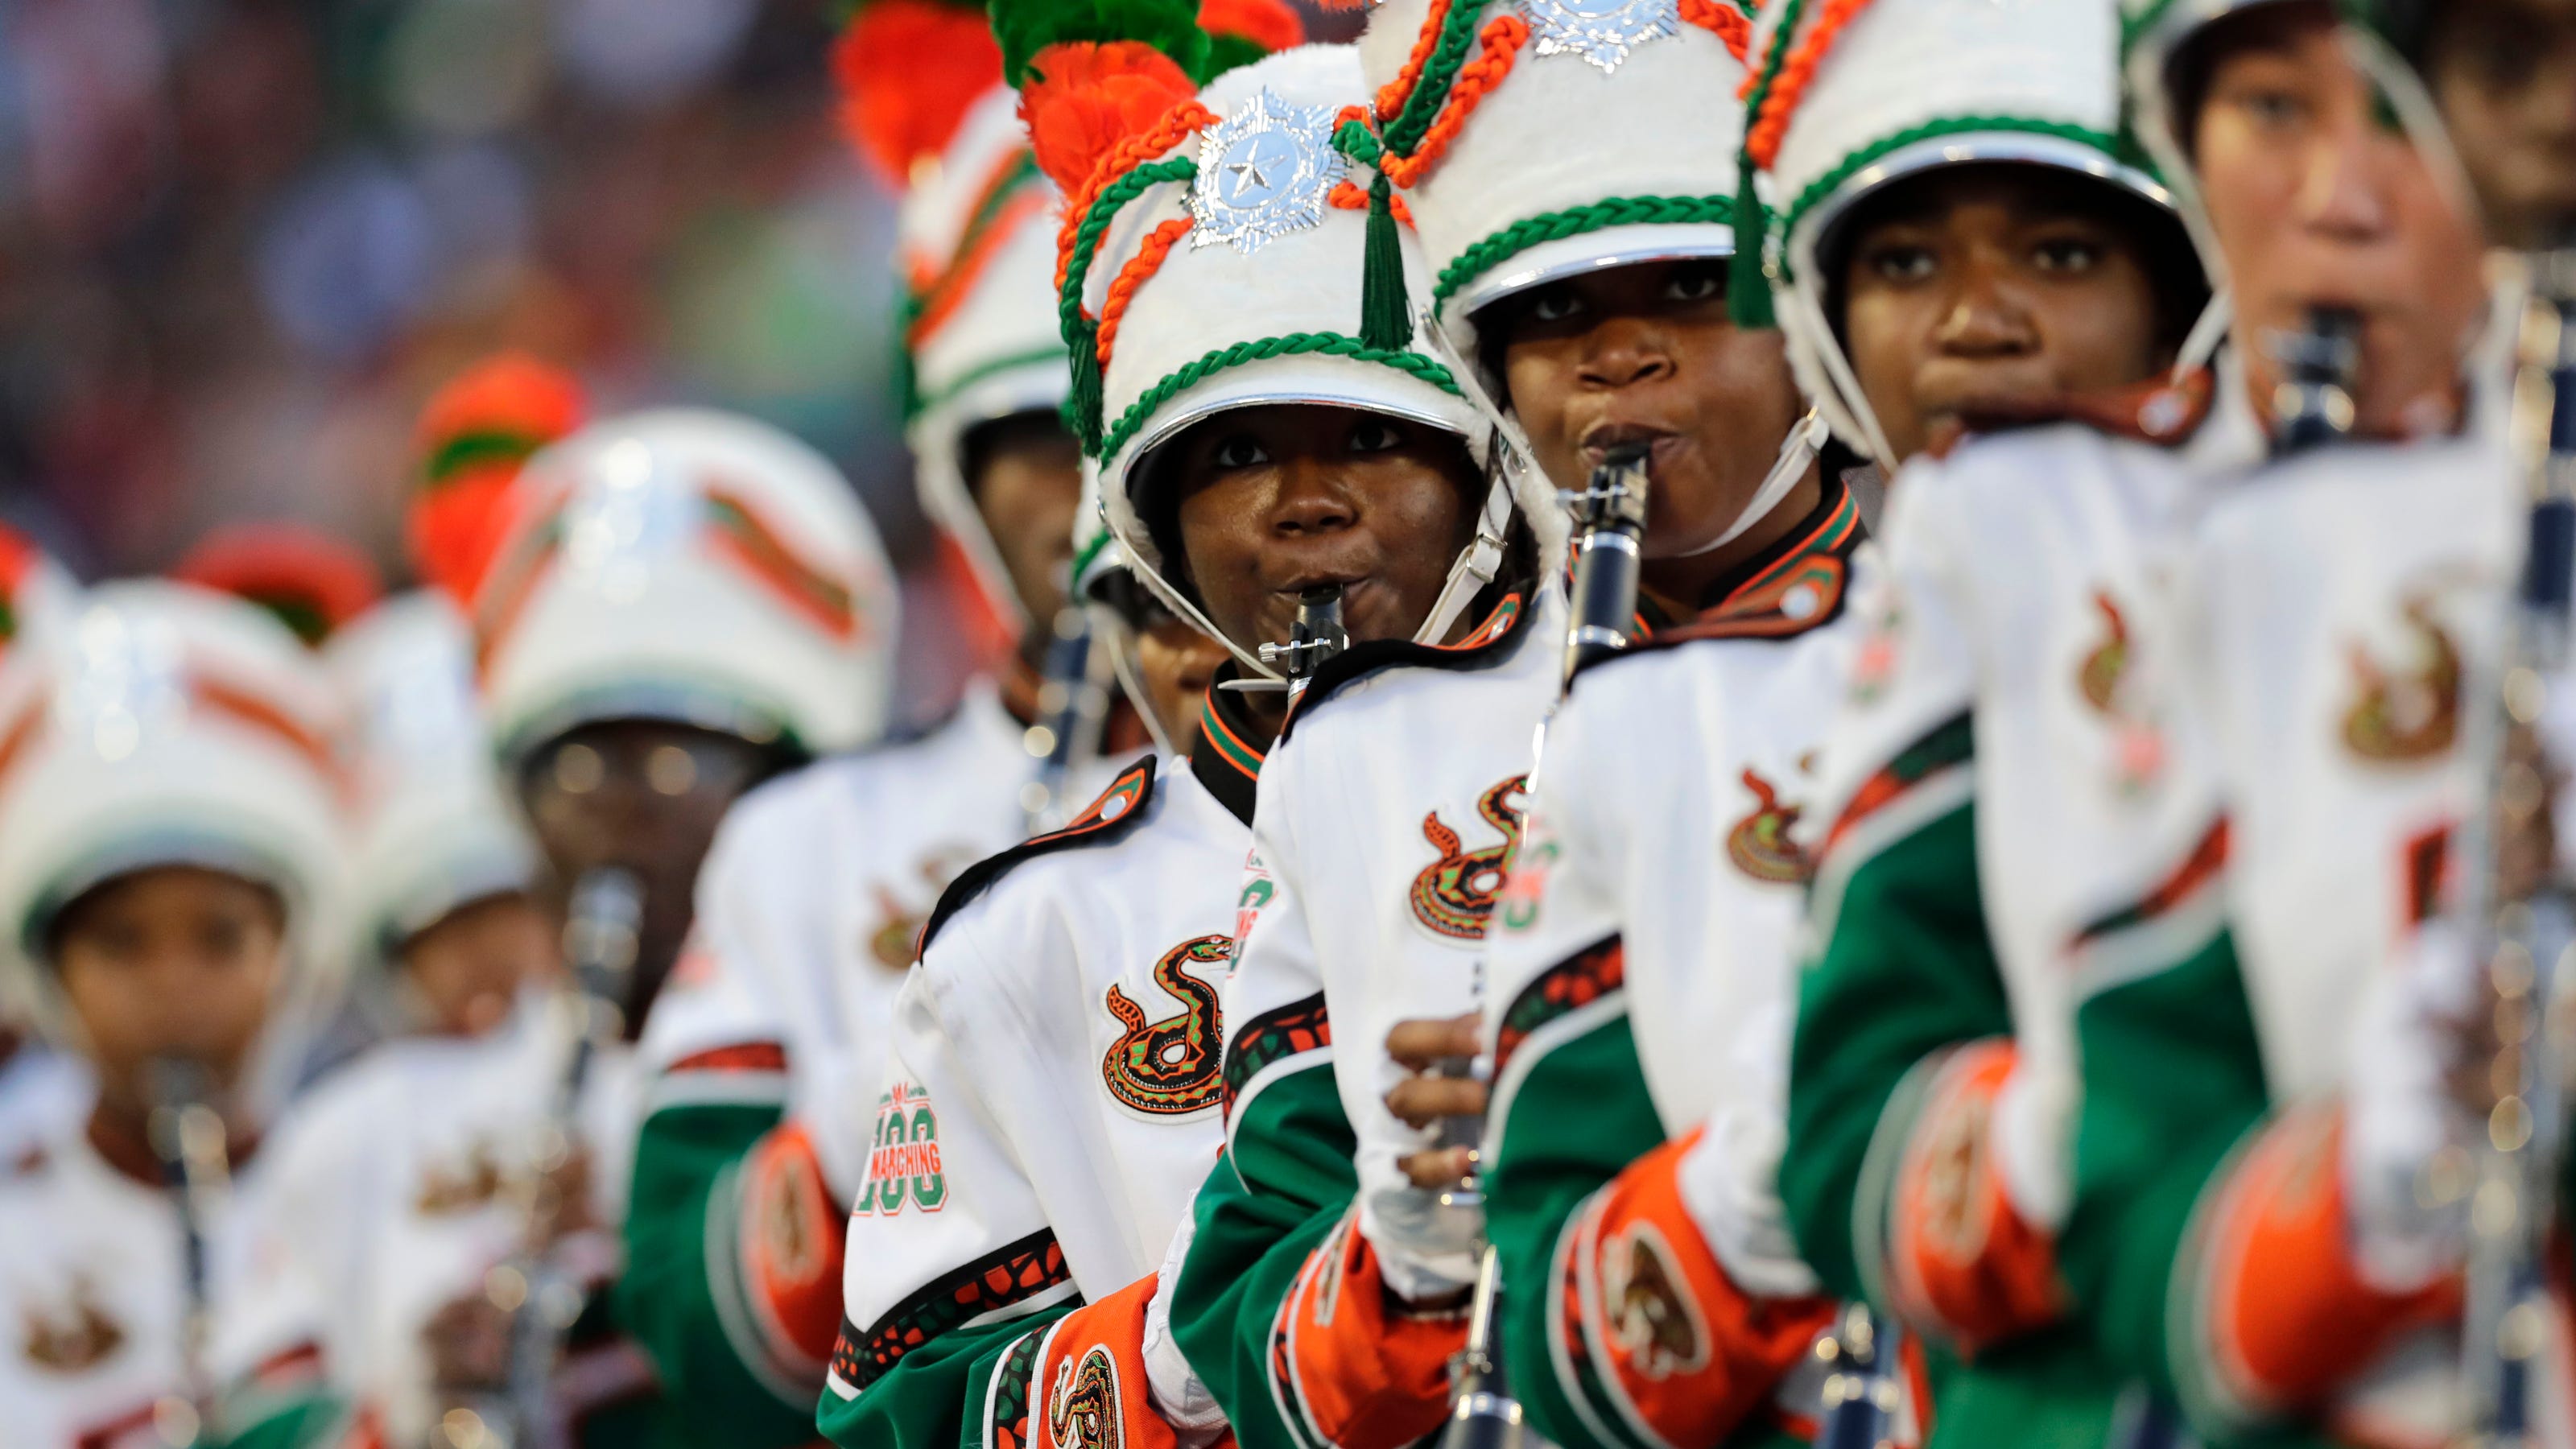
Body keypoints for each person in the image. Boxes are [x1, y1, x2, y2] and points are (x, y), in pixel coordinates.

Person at [817, 13, 1578, 1445]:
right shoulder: (1027, 938)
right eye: (1232, 456)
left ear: (1487, 464)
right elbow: (894, 1415)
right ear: (1152, 526)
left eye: (1371, 436)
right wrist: (1207, 1348)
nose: (1306, 503)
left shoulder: (1634, 737)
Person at [602, 3, 1137, 1437]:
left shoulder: (1349, 757)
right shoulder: (806, 846)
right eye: (1034, 442)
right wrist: (863, 1115)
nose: (1083, 491)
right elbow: (686, 1315)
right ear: (955, 475)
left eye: (1122, 425)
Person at [2053, 1, 2552, 1440]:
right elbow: (2099, 1158)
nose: (2343, 200)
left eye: (2402, 112)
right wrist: (2347, 1200)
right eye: (2276, 110)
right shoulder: (2058, 529)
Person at [213, 402, 900, 1449]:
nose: (627, 806)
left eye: (686, 759)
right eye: (576, 764)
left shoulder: (888, 1040)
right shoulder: (365, 1135)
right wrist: (404, 1408)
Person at [0, 579, 350, 1449]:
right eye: (121, 943)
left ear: (291, 955)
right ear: (47, 973)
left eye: (221, 939)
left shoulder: (371, 1176)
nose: (174, 986)